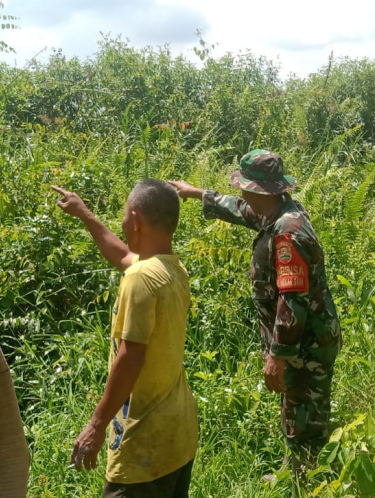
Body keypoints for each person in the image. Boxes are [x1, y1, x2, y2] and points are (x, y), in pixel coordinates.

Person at [170, 150, 342, 480]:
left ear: (260, 191)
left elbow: (292, 300)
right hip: (301, 342)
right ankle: (297, 470)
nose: (241, 192)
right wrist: (197, 193)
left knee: (305, 416)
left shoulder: (287, 233)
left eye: (245, 187)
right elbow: (241, 210)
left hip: (306, 344)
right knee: (296, 407)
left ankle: (307, 480)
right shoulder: (275, 212)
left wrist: (278, 355)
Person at [52, 179, 198, 498]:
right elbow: (123, 256)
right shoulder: (172, 268)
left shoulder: (140, 279)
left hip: (144, 441)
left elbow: (131, 358)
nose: (122, 222)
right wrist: (85, 215)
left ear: (135, 219)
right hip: (178, 434)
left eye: (123, 215)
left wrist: (96, 425)